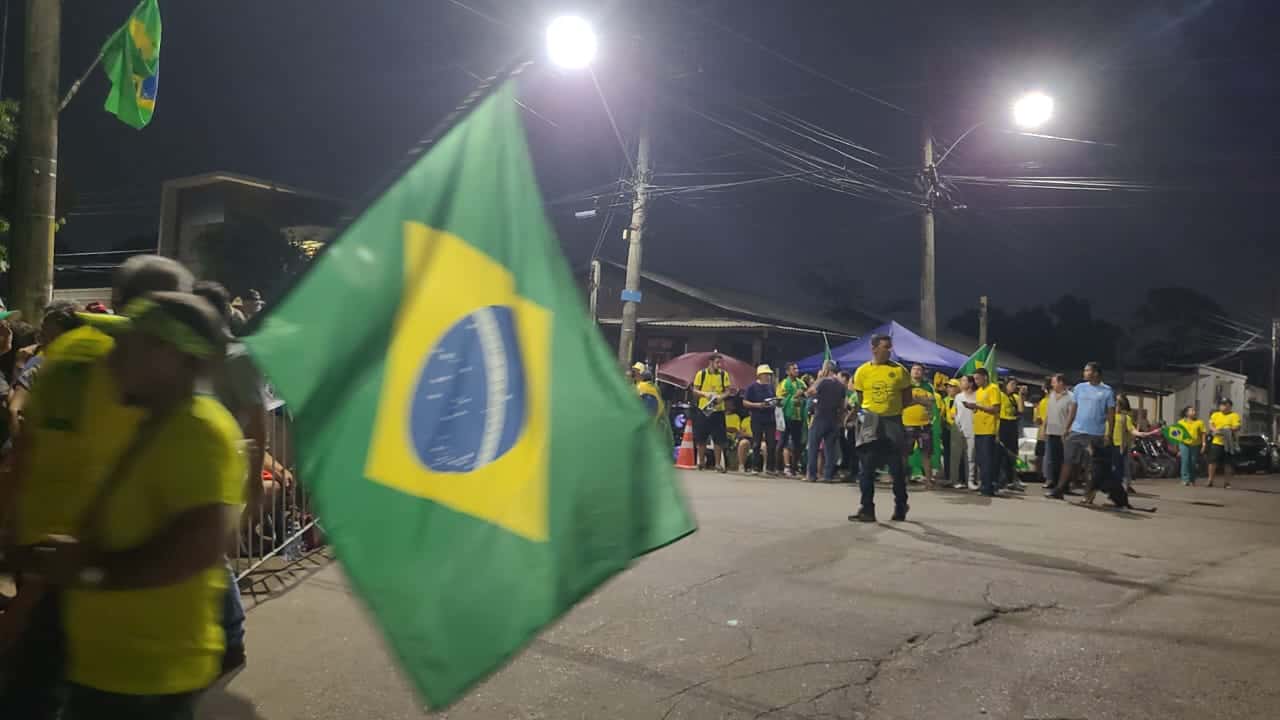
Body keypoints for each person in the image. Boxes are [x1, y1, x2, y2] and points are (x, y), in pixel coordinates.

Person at [7, 292, 246, 719]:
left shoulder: (200, 433)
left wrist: (87, 571)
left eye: (131, 345)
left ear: (171, 357)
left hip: (147, 678)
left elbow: (195, 550)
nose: (113, 357)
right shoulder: (147, 421)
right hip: (103, 664)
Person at [849, 334, 915, 521]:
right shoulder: (862, 371)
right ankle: (867, 508)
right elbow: (861, 399)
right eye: (886, 347)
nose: (889, 350)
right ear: (874, 348)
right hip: (869, 420)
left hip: (892, 420)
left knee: (896, 467)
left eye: (890, 347)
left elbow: (907, 398)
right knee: (866, 467)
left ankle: (901, 505)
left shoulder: (900, 371)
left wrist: (892, 411)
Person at [8, 302, 84, 439]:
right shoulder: (37, 364)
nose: (41, 341)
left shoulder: (93, 368)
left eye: (49, 335)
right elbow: (14, 408)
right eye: (42, 333)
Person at [1048, 362, 1120, 506]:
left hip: (1095, 434)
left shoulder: (1107, 391)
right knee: (1068, 461)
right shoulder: (1079, 388)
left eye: (1087, 371)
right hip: (1076, 431)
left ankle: (1088, 495)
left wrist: (1109, 434)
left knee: (1090, 466)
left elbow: (1111, 414)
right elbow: (1074, 409)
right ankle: (1059, 490)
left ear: (1096, 373)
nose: (1084, 373)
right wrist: (1067, 428)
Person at [804, 362, 846, 483]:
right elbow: (843, 405)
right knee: (830, 449)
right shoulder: (841, 385)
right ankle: (828, 476)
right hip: (833, 418)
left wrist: (819, 379)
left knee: (813, 447)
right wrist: (840, 420)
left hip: (820, 417)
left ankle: (812, 475)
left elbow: (809, 393)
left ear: (826, 369)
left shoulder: (822, 382)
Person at [690, 354, 731, 473]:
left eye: (720, 363)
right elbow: (695, 390)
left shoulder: (723, 375)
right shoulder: (701, 374)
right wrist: (705, 394)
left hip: (718, 409)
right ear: (710, 362)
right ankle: (701, 462)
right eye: (717, 362)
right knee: (701, 437)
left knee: (719, 438)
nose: (719, 365)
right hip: (704, 409)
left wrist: (721, 397)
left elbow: (728, 391)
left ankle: (717, 464)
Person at [967, 368, 1003, 497]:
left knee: (988, 460)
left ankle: (988, 487)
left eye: (978, 378)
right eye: (974, 379)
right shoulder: (979, 391)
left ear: (985, 377)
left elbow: (995, 408)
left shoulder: (993, 389)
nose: (976, 381)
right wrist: (973, 408)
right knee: (980, 460)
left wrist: (977, 406)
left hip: (989, 429)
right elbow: (980, 407)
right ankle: (983, 484)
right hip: (978, 429)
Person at [902, 363, 938, 487]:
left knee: (926, 453)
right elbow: (904, 401)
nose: (916, 371)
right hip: (907, 423)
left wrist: (916, 399)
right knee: (904, 453)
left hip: (924, 424)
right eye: (914, 369)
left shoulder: (928, 386)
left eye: (919, 369)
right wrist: (920, 401)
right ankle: (903, 478)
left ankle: (928, 480)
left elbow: (931, 402)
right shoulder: (905, 385)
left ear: (923, 372)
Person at [742, 365, 779, 475]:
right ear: (760, 375)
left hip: (770, 418)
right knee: (756, 443)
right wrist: (758, 405)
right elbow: (745, 402)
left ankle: (770, 468)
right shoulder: (752, 387)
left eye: (769, 375)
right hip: (757, 418)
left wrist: (775, 403)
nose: (768, 377)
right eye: (766, 374)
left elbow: (774, 399)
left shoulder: (771, 387)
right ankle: (755, 467)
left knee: (771, 443)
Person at [1041, 374, 1072, 491]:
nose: (1052, 385)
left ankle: (1063, 484)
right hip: (1051, 431)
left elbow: (1072, 415)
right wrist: (1044, 427)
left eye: (1054, 382)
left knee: (1063, 459)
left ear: (1061, 383)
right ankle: (1052, 481)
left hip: (1064, 433)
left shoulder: (1071, 397)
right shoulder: (1052, 395)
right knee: (1052, 459)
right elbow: (1048, 413)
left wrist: (1068, 430)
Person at [776, 363, 807, 477]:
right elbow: (780, 400)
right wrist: (794, 396)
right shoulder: (783, 384)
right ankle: (779, 467)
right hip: (786, 416)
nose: (796, 370)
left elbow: (806, 395)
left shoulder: (801, 383)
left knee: (797, 443)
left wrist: (801, 396)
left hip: (798, 417)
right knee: (782, 442)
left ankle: (794, 468)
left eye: (797, 368)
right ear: (787, 372)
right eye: (794, 369)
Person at [950, 375, 979, 490]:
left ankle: (970, 480)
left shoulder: (978, 396)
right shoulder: (958, 397)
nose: (961, 383)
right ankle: (954, 480)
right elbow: (954, 411)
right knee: (955, 456)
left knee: (971, 456)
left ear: (971, 383)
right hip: (958, 430)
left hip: (972, 429)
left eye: (963, 381)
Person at [997, 378, 1025, 491]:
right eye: (1012, 384)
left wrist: (1021, 395)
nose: (1014, 386)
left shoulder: (1015, 397)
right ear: (1006, 385)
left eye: (1015, 384)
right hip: (1002, 423)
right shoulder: (1000, 395)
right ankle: (1002, 479)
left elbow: (1021, 410)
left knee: (1013, 453)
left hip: (1012, 424)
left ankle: (1013, 478)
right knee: (1003, 453)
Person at [1207, 398, 1241, 488]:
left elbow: (1237, 427)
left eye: (1226, 405)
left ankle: (1227, 482)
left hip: (1228, 443)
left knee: (1228, 463)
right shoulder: (1215, 415)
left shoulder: (1234, 416)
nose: (1223, 406)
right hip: (1217, 442)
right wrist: (1214, 430)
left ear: (1230, 406)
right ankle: (1210, 480)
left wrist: (1228, 429)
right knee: (1212, 462)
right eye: (1222, 405)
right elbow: (1211, 425)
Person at [1175, 405, 1207, 486]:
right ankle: (1185, 479)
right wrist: (1177, 448)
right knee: (1185, 461)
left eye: (1194, 410)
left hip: (1195, 444)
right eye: (1191, 410)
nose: (1194, 412)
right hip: (1184, 444)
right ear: (1186, 413)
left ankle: (1192, 479)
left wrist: (1204, 444)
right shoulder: (1180, 422)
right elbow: (1178, 434)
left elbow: (1203, 433)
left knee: (1193, 462)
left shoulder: (1199, 422)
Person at [1033, 382, 1049, 477]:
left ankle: (1045, 475)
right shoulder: (1042, 402)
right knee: (1040, 455)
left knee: (1044, 456)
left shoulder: (1050, 401)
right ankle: (1040, 475)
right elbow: (1037, 420)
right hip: (1042, 434)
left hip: (1049, 433)